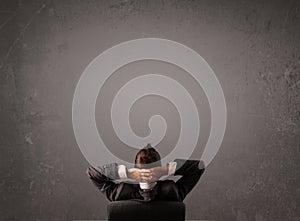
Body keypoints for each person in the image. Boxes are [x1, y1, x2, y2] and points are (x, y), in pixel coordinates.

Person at [86, 143, 205, 202]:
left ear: (136, 168)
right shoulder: (173, 191)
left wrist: (127, 173)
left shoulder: (119, 193)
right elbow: (199, 167)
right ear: (158, 167)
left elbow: (92, 173)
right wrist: (166, 170)